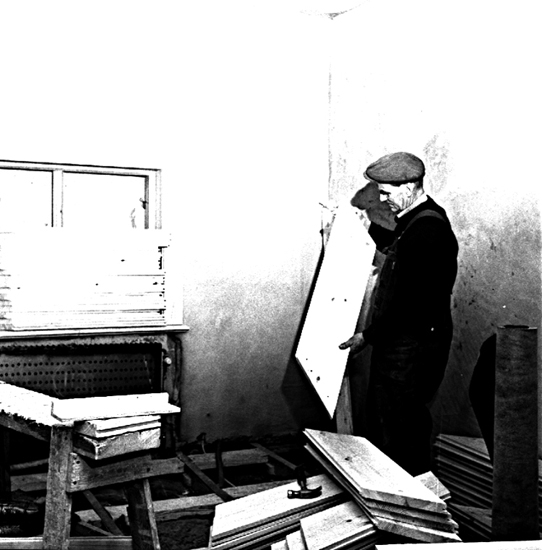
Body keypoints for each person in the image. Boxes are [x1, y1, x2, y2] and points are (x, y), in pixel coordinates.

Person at [339, 151, 459, 476]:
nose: (382, 199)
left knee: (400, 425)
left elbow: (411, 304)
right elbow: (398, 245)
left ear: (409, 187)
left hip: (411, 346)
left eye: (386, 192)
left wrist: (367, 336)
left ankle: (408, 492)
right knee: (392, 418)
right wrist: (363, 227)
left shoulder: (428, 230)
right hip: (403, 341)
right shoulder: (419, 220)